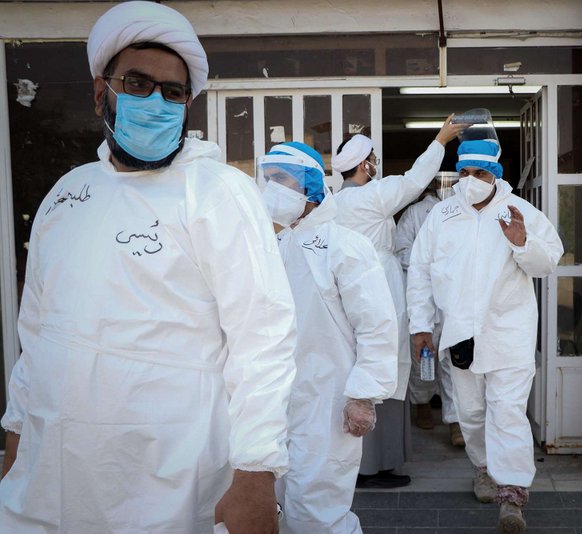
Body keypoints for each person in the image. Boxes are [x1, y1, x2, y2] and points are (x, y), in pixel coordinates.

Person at [0, 3, 297, 533]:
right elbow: (37, 335)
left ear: (187, 104)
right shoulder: (67, 195)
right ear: (101, 93)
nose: (156, 102)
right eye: (137, 84)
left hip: (172, 472)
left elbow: (263, 337)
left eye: (173, 92)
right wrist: (15, 439)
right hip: (56, 469)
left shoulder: (217, 192)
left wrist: (257, 470)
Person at [407, 138, 564, 533]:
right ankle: (483, 469)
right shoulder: (442, 215)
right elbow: (421, 271)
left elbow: (548, 262)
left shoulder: (520, 212)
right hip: (460, 332)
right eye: (464, 172)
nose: (471, 180)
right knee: (472, 414)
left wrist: (522, 243)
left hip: (508, 332)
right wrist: (421, 325)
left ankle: (512, 495)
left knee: (507, 411)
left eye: (480, 173)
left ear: (495, 174)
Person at [257, 142, 399, 533]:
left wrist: (362, 395)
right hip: (275, 400)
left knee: (317, 509)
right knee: (276, 505)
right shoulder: (272, 245)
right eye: (267, 179)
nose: (272, 188)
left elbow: (376, 325)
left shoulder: (346, 246)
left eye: (281, 179)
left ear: (309, 186)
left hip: (328, 400)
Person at [331, 118, 464, 488]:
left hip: (349, 290)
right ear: (364, 164)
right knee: (384, 368)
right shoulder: (371, 197)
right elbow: (414, 180)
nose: (376, 164)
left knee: (360, 367)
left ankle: (360, 464)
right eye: (373, 158)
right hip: (379, 288)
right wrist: (440, 140)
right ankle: (374, 467)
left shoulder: (335, 202)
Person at [394, 173, 464, 447]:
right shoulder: (415, 213)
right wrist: (429, 264)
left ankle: (455, 421)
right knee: (422, 357)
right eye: (446, 183)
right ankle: (422, 403)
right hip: (423, 296)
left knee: (454, 363)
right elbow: (400, 249)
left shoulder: (465, 212)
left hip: (454, 300)